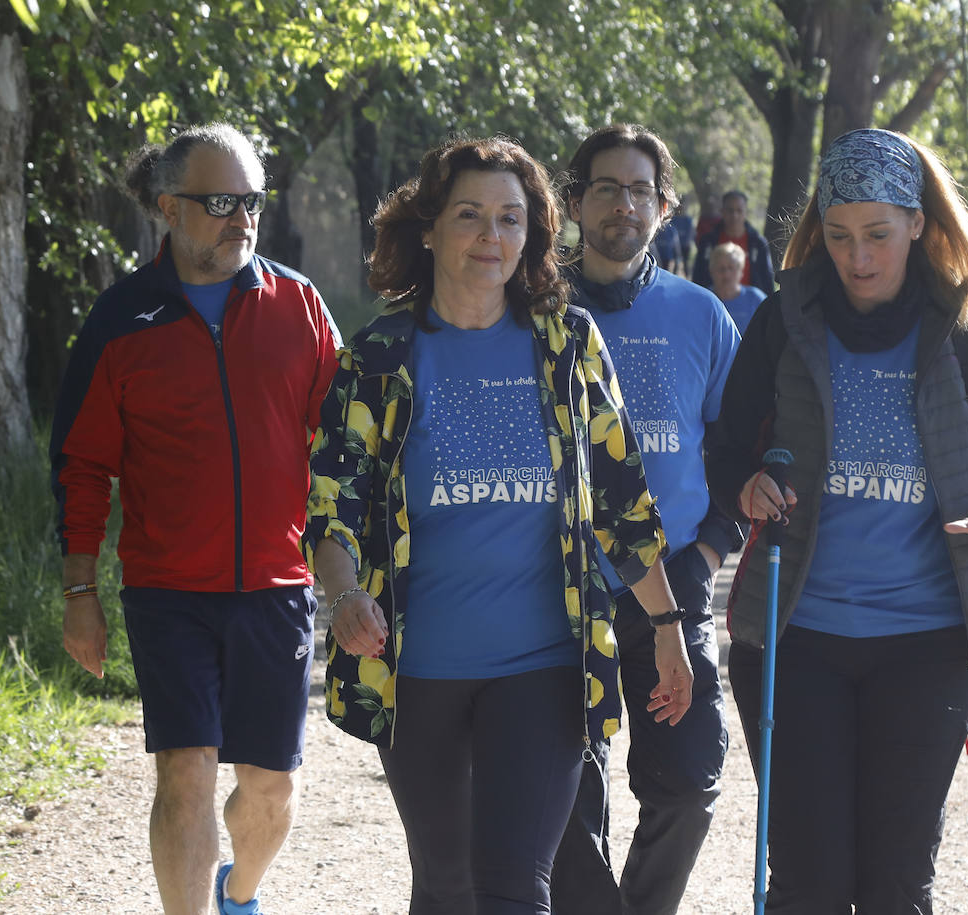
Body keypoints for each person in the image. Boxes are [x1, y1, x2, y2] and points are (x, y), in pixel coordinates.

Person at [304, 136, 695, 915]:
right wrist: (344, 596)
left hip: (544, 665)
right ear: (429, 228)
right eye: (471, 216)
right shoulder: (381, 355)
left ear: (535, 233)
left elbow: (623, 501)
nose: (492, 237)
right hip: (417, 669)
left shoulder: (569, 344)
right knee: (447, 889)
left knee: (518, 887)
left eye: (511, 219)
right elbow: (333, 504)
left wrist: (668, 624)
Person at [704, 127, 968, 912]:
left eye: (878, 236)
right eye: (841, 235)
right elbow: (724, 454)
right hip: (796, 640)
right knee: (811, 885)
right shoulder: (784, 323)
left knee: (895, 885)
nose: (858, 257)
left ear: (918, 224)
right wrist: (746, 488)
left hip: (929, 646)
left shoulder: (964, 333)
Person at [50, 123, 341, 915]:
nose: (242, 217)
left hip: (277, 583)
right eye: (221, 202)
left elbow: (348, 445)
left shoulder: (299, 306)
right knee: (185, 770)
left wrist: (359, 566)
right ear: (168, 209)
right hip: (167, 589)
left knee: (271, 790)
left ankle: (239, 891)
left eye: (251, 200)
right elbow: (82, 465)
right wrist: (81, 591)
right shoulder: (120, 321)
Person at [552, 124, 741, 915]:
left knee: (689, 780)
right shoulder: (536, 310)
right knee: (565, 787)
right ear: (573, 202)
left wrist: (708, 551)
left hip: (675, 582)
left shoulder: (702, 315)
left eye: (639, 190)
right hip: (558, 589)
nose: (622, 205)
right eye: (605, 188)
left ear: (664, 208)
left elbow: (742, 451)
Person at [692, 190, 775, 294]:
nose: (734, 215)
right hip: (714, 304)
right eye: (730, 210)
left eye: (739, 210)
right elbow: (698, 276)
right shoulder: (708, 242)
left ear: (746, 213)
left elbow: (767, 279)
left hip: (751, 307)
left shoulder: (757, 243)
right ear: (722, 211)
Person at [708, 241, 767, 336]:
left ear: (741, 271)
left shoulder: (757, 299)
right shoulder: (705, 300)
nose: (726, 275)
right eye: (721, 268)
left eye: (731, 268)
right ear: (711, 271)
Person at [668, 194, 695, 275]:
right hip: (674, 246)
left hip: (684, 245)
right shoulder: (672, 219)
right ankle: (674, 276)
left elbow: (690, 233)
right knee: (675, 262)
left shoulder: (688, 219)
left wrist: (688, 242)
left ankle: (688, 277)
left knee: (685, 262)